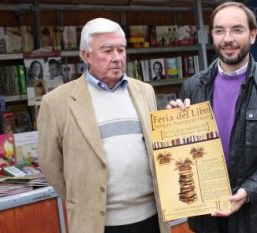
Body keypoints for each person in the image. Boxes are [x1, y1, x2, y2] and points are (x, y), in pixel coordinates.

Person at [168, 2, 257, 233]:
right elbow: (186, 156)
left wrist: (248, 191)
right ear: (212, 35)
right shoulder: (193, 86)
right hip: (207, 218)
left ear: (252, 34)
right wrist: (174, 129)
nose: (227, 38)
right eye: (219, 30)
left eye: (237, 30)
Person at [37, 18, 170, 233]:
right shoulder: (56, 102)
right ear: (85, 55)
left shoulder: (145, 91)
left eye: (120, 49)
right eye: (107, 51)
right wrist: (83, 199)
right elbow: (50, 165)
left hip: (151, 218)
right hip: (96, 224)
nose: (116, 58)